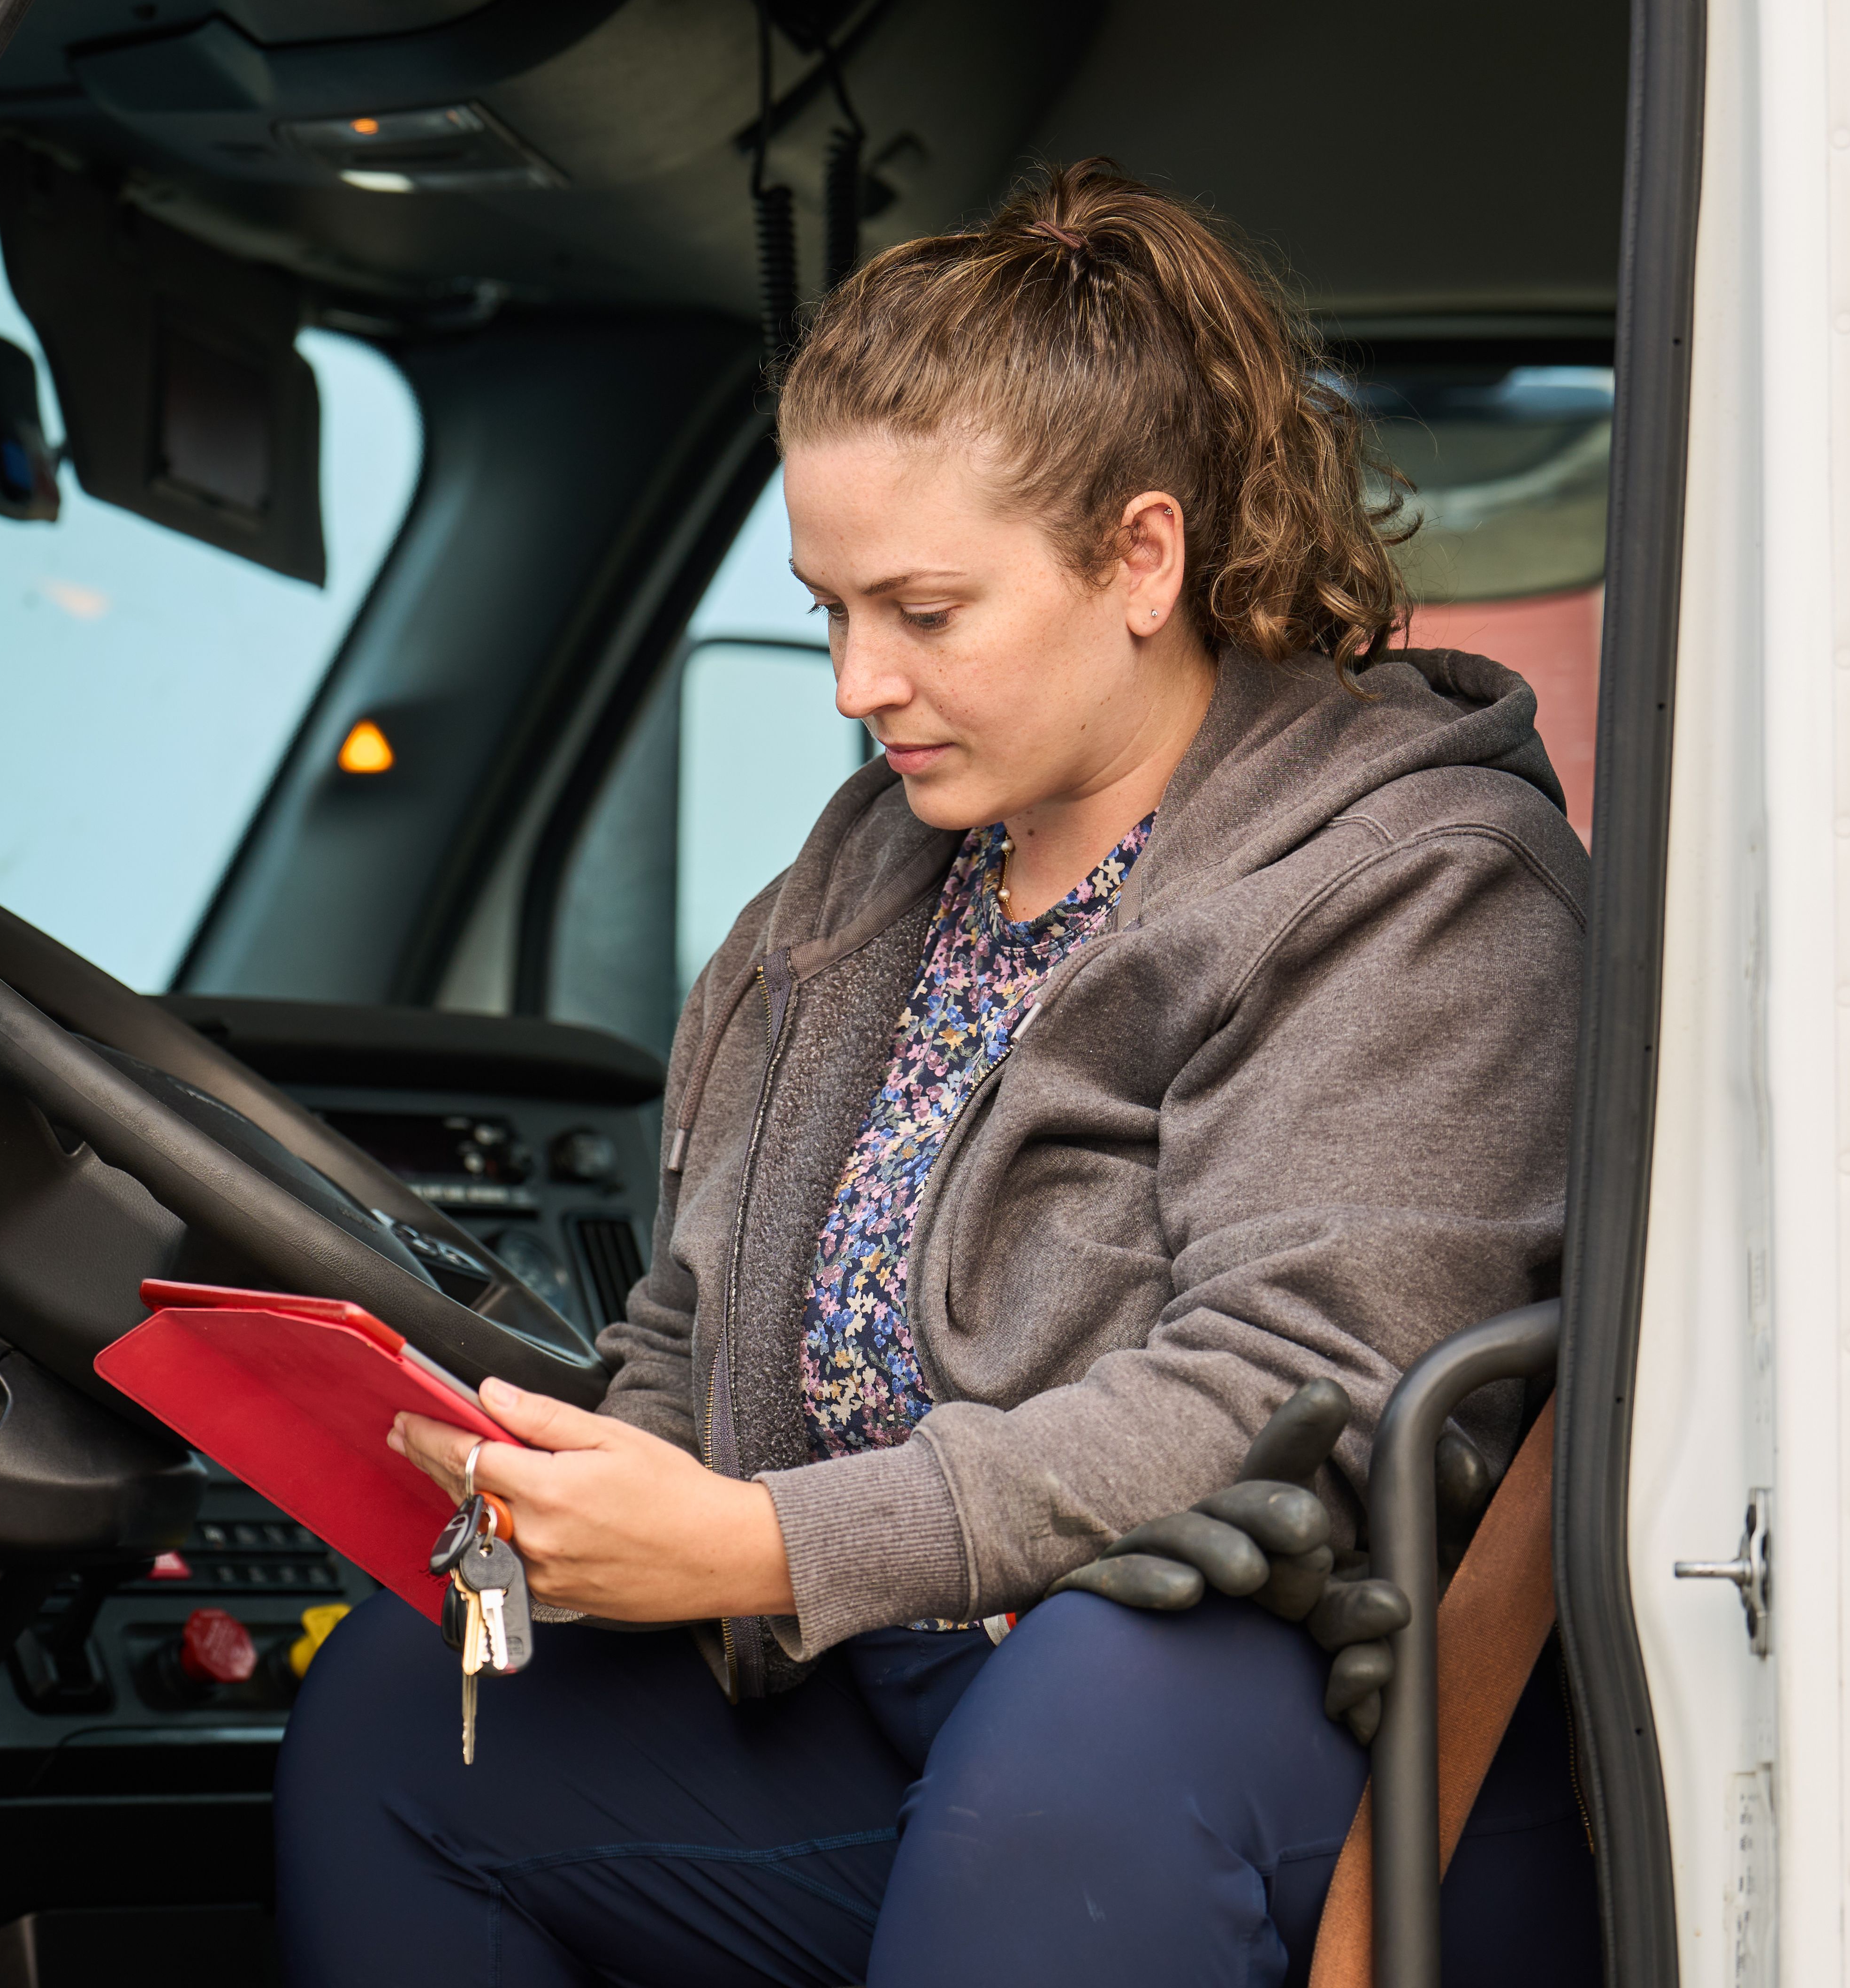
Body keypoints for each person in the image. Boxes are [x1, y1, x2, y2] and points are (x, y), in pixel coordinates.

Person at [274, 161, 1600, 1986]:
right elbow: (698, 1325)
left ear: (1142, 559)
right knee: (408, 1720)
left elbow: (1291, 1392)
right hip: (893, 1680)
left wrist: (760, 1543)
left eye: (923, 610)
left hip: (1294, 1724)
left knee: (1082, 1704)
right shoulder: (863, 871)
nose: (854, 680)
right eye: (827, 610)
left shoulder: (1418, 881)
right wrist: (585, 1493)